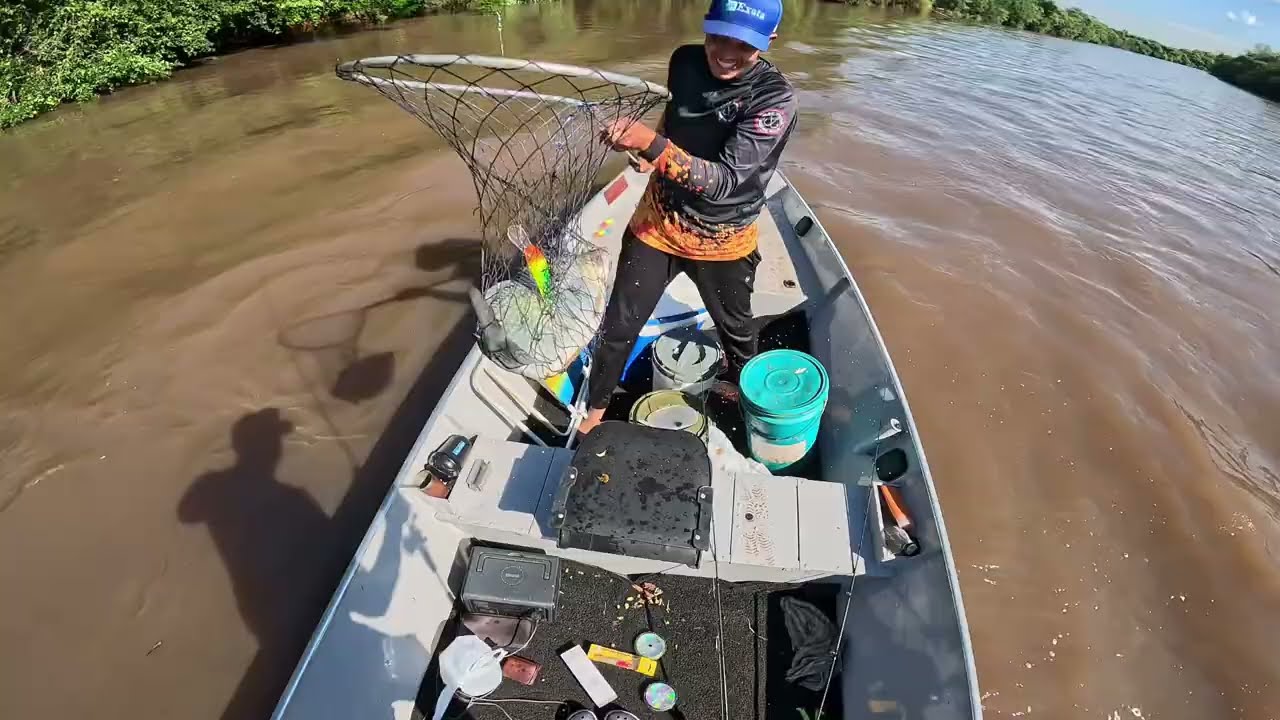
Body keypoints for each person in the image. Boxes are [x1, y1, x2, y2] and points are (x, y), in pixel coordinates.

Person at [577, 0, 798, 435]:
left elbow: (723, 181)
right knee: (618, 326)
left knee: (737, 335)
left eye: (743, 44)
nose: (726, 52)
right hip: (657, 224)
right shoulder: (683, 60)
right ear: (706, 27)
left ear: (768, 42)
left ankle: (744, 397)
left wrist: (652, 146)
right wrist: (647, 145)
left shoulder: (775, 100)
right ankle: (596, 412)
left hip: (723, 238)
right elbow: (677, 113)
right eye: (718, 37)